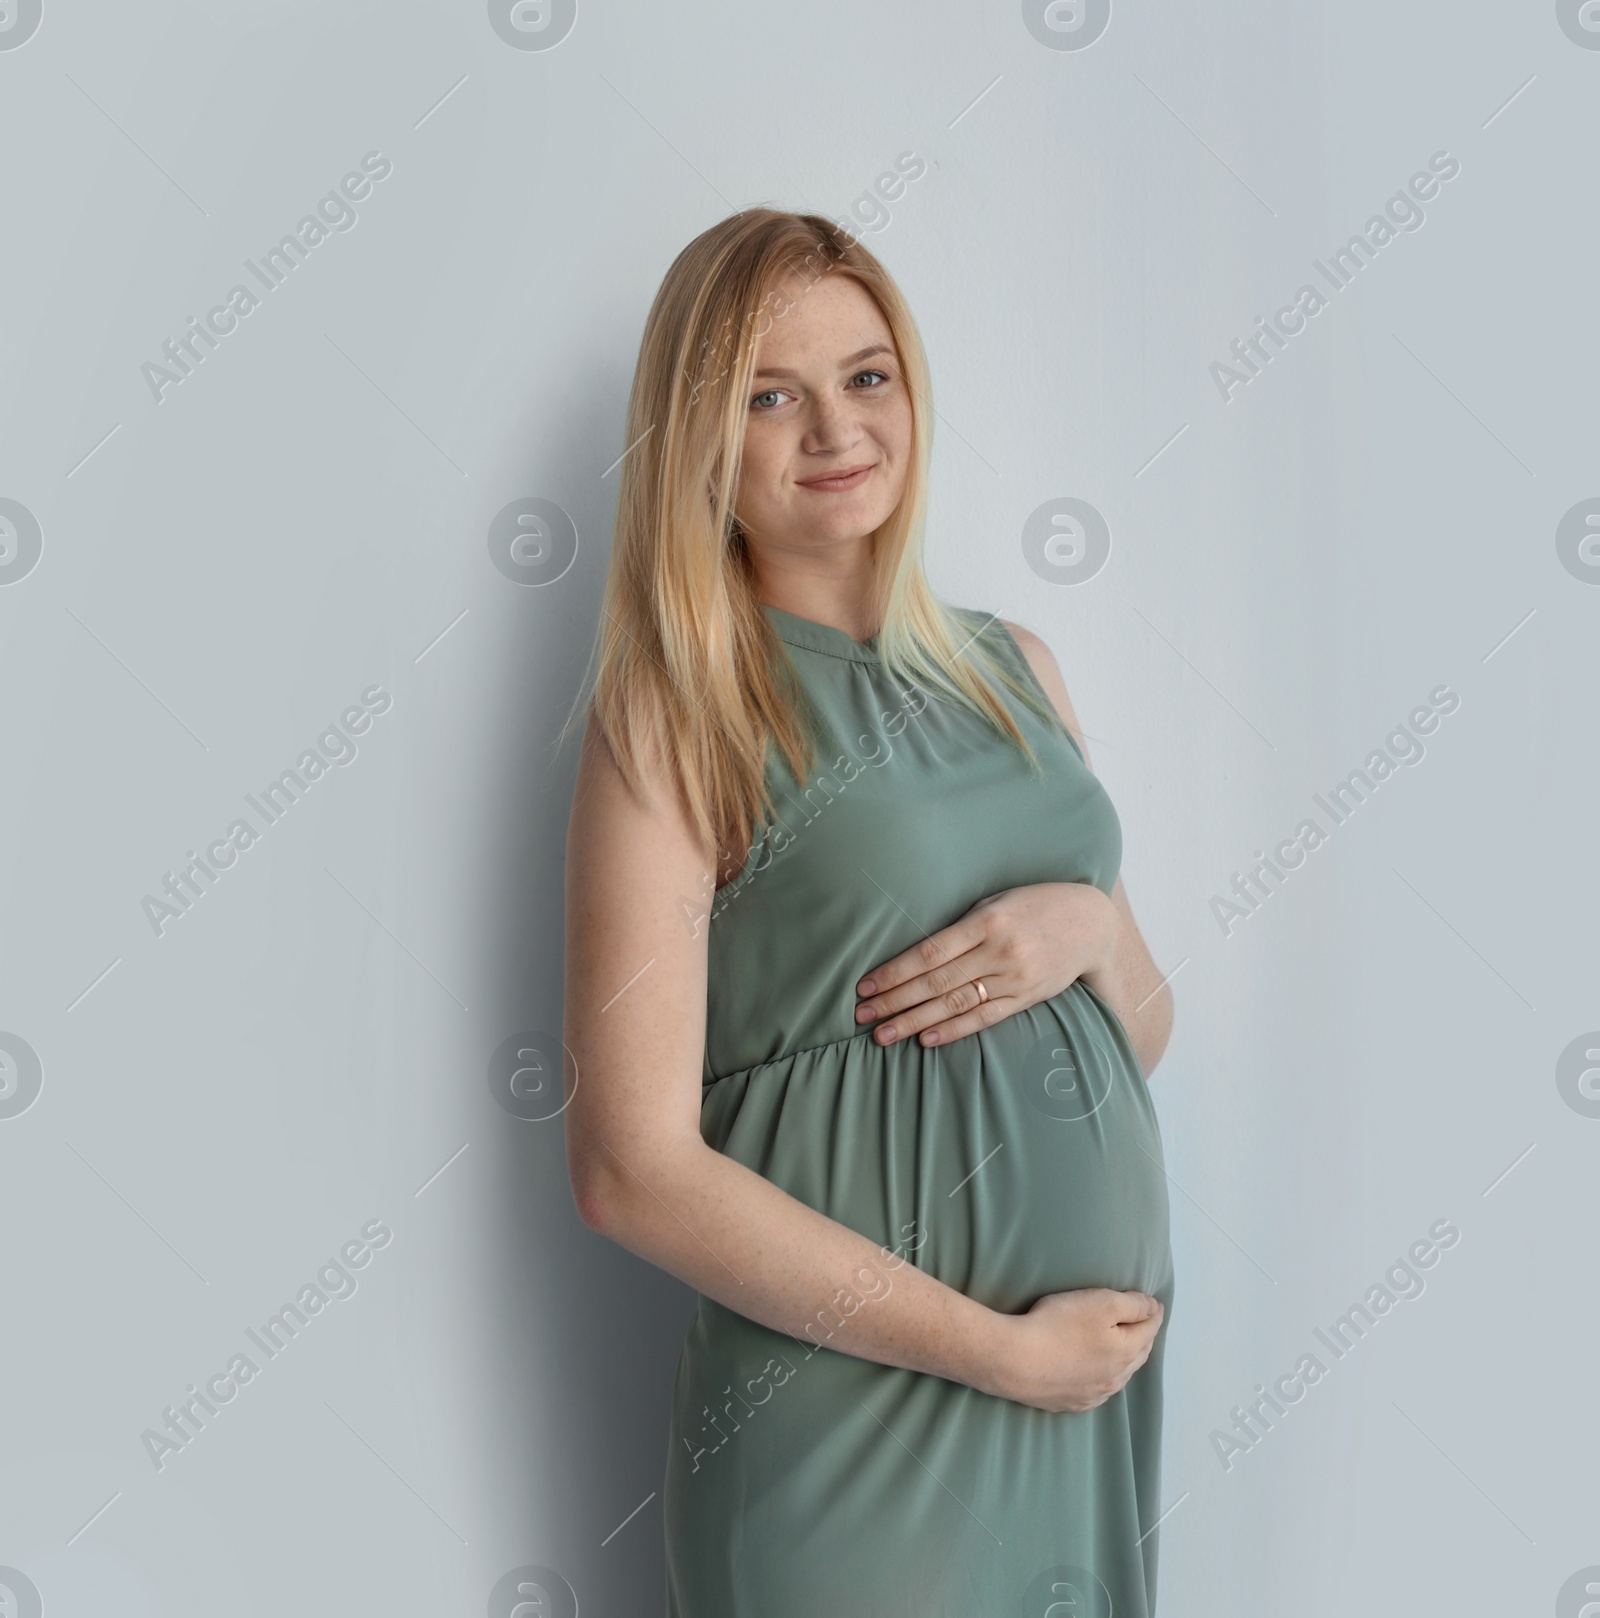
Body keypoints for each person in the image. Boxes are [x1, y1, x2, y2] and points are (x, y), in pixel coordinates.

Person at [560, 208, 1176, 1617]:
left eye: (866, 374)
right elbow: (627, 1169)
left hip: (1071, 1404)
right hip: (859, 1419)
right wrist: (994, 1347)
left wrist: (1092, 933)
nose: (834, 427)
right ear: (699, 440)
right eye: (769, 394)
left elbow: (1138, 1036)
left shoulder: (1015, 665)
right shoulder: (676, 712)